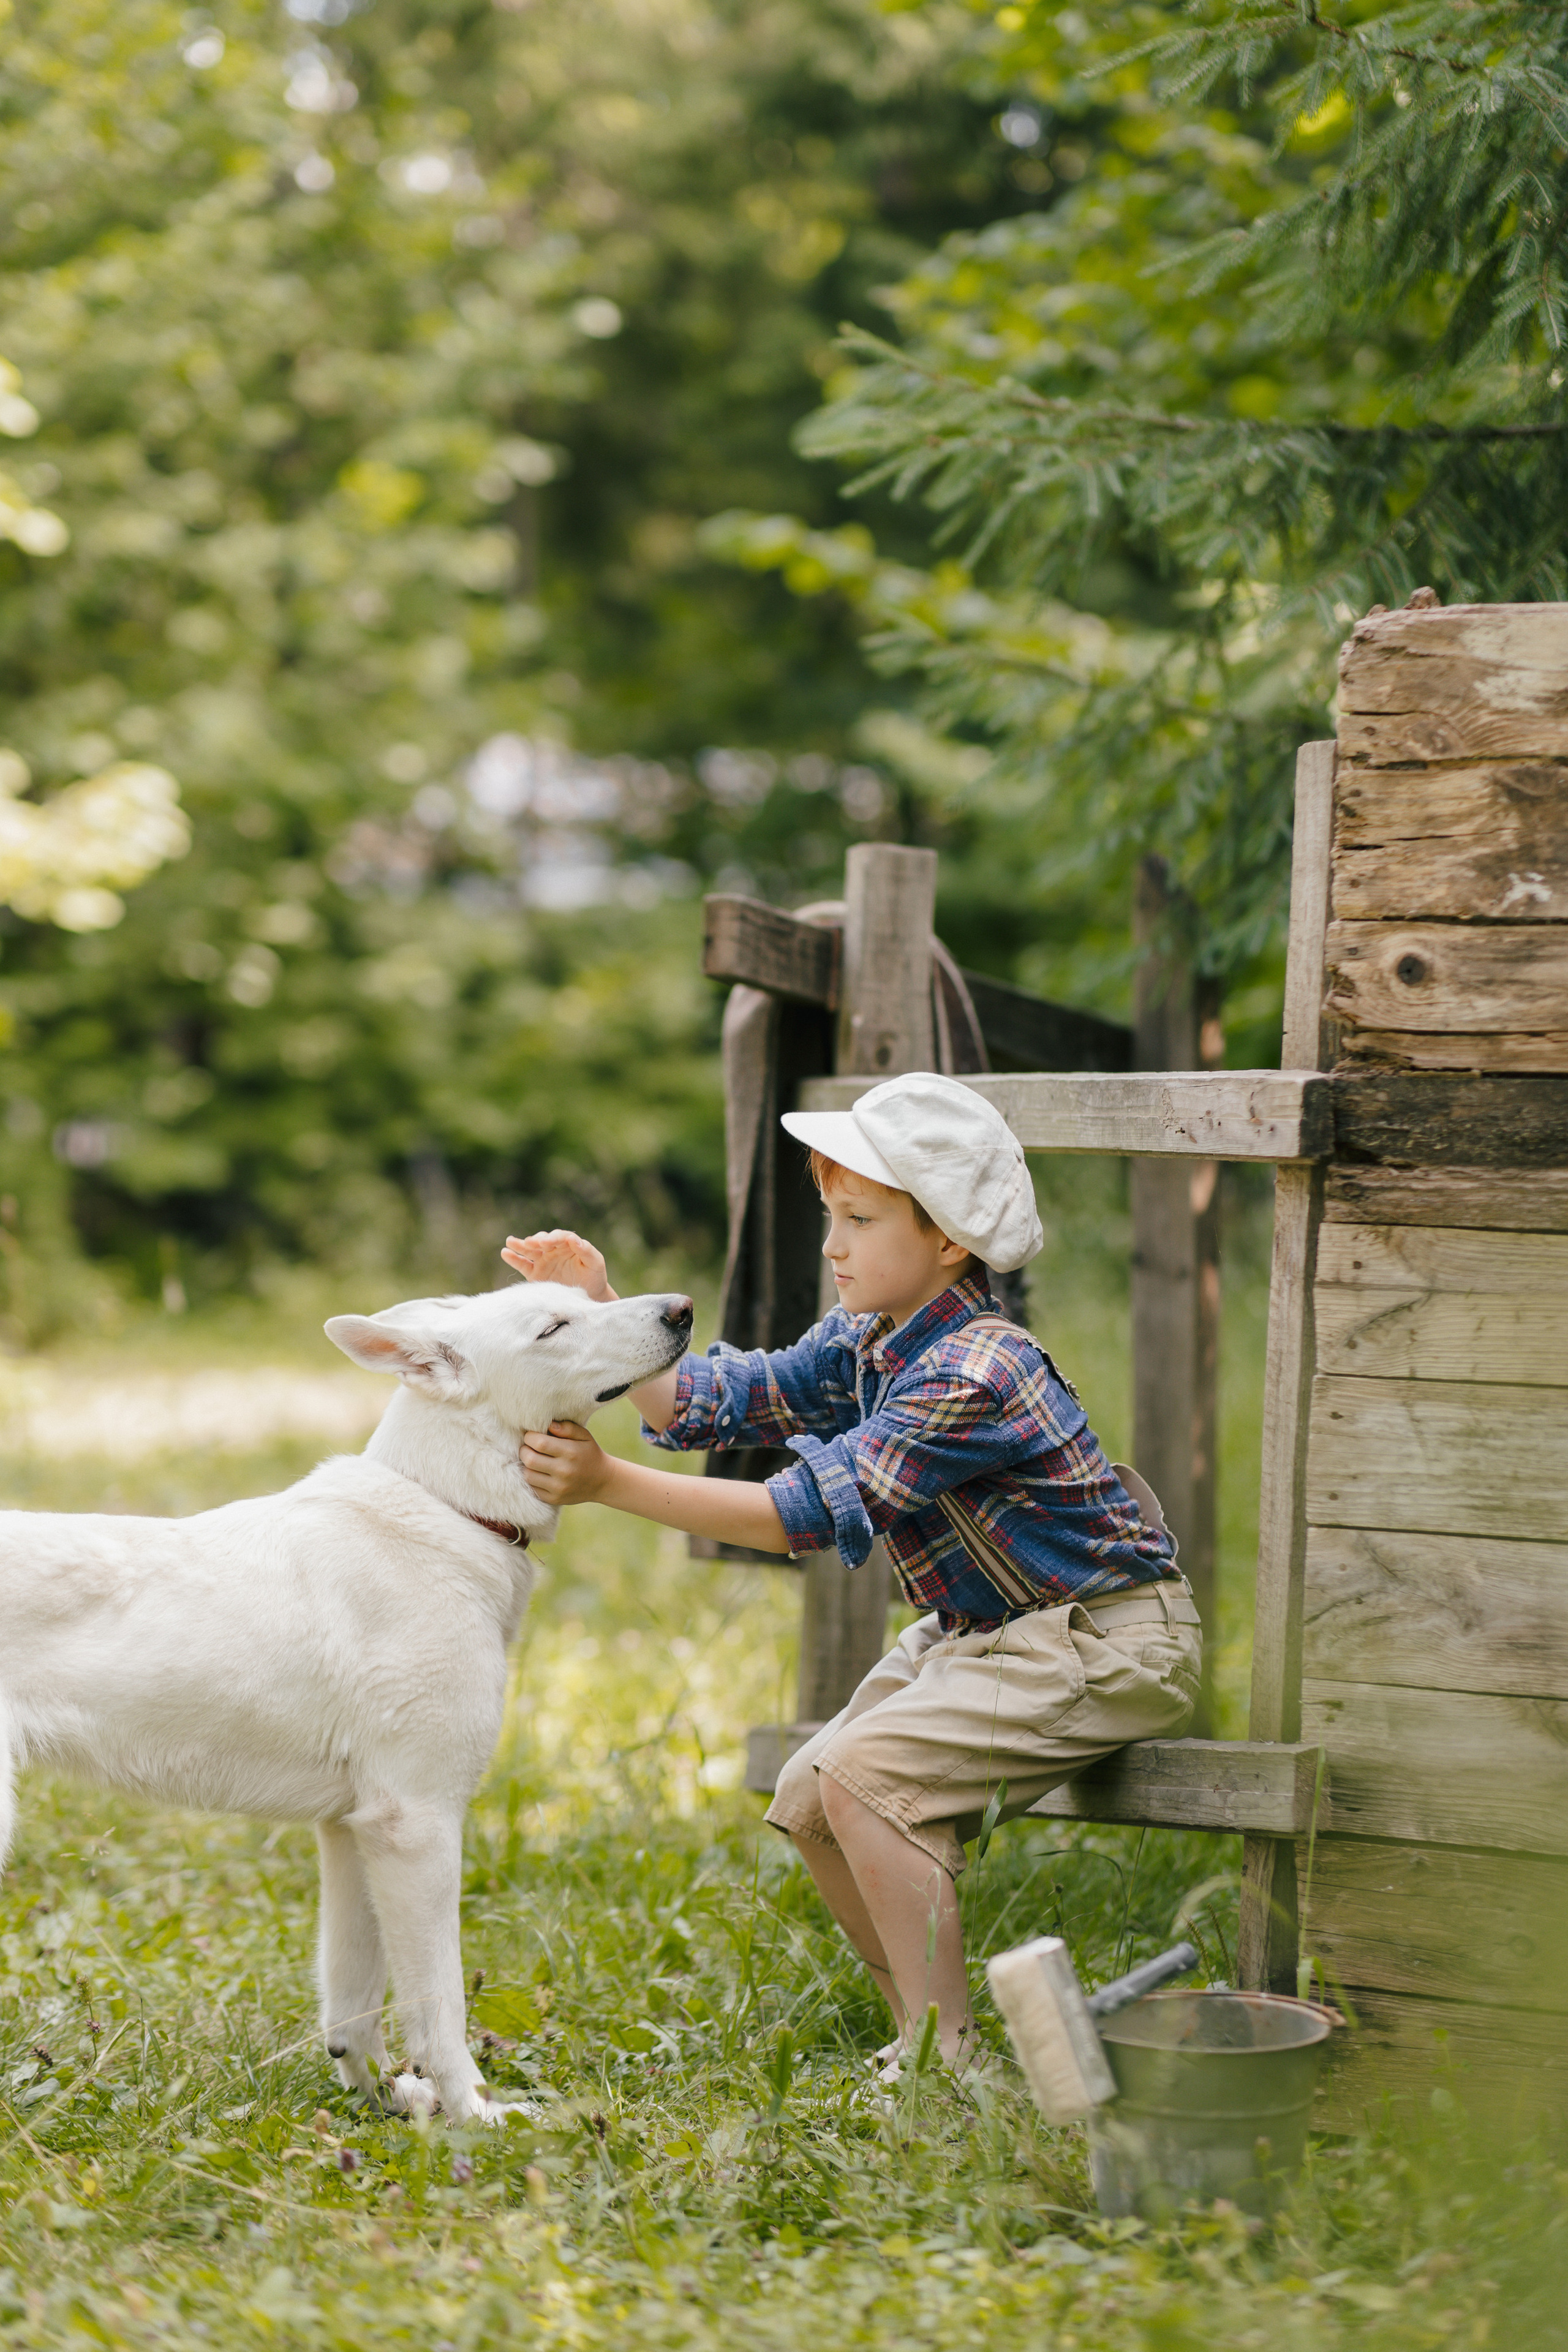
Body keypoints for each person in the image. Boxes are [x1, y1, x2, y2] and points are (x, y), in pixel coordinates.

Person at [507, 1070, 1200, 2082]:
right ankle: (924, 2038)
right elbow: (712, 1400)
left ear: (948, 1240)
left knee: (865, 1780)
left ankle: (946, 2057)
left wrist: (608, 1483)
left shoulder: (975, 1372)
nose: (833, 1245)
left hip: (1105, 1641)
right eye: (833, 1216)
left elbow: (796, 1516)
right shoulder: (869, 1339)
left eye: (862, 1220)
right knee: (812, 1794)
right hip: (987, 1633)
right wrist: (605, 1309)